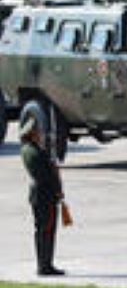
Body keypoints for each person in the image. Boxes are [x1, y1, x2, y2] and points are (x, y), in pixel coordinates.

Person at [20, 117, 65, 277]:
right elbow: (46, 175)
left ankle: (44, 263)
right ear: (32, 134)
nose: (40, 134)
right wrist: (57, 188)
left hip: (38, 195)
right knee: (47, 230)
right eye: (37, 132)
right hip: (45, 195)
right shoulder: (36, 152)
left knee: (41, 230)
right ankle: (45, 266)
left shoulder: (28, 149)